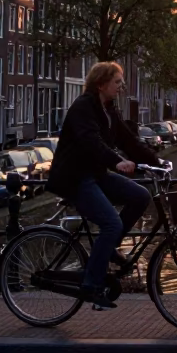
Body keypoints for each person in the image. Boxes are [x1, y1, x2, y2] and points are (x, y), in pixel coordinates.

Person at [48, 62, 161, 310]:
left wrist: (157, 160)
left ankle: (108, 248)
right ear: (101, 84)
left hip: (96, 174)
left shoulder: (109, 109)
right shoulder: (83, 107)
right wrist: (117, 162)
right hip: (75, 177)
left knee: (140, 196)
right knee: (111, 223)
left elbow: (128, 140)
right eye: (117, 82)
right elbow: (91, 142)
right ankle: (91, 284)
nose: (121, 87)